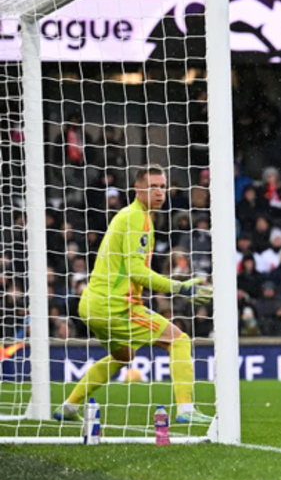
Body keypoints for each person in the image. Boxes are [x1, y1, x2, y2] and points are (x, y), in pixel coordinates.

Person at [54, 166, 213, 424]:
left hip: (91, 306)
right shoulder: (137, 218)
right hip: (116, 307)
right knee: (179, 340)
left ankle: (69, 406)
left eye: (162, 186)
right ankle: (186, 410)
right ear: (138, 189)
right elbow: (137, 271)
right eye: (152, 186)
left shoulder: (129, 216)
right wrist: (180, 287)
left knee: (123, 356)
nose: (159, 192)